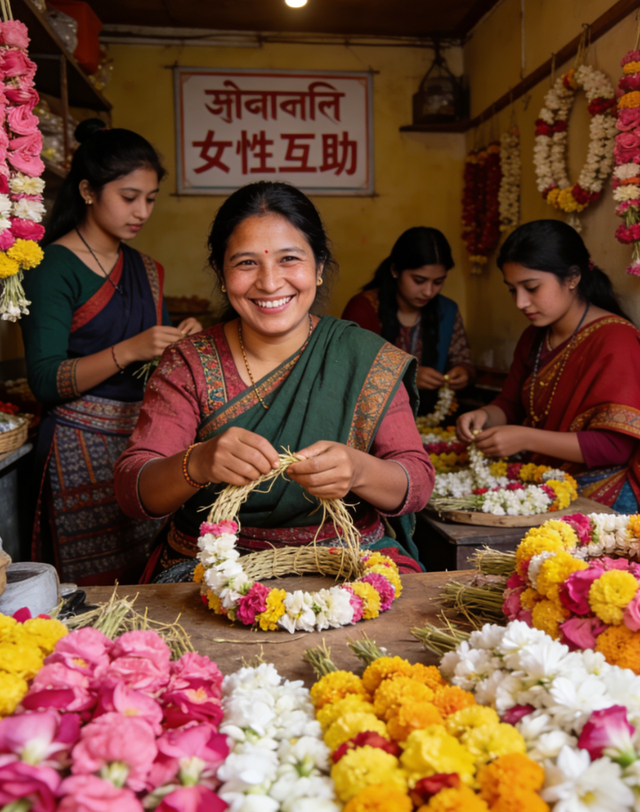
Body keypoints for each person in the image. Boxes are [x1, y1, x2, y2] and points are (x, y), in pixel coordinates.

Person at [114, 181, 435, 580]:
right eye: (246, 263)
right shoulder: (189, 362)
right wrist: (197, 462)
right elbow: (133, 489)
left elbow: (417, 483)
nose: (269, 282)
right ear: (221, 272)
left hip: (350, 560)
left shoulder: (364, 357)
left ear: (318, 268)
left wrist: (358, 470)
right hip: (214, 567)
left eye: (289, 259)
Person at [21, 118, 202, 585]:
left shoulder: (148, 269)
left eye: (151, 199)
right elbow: (44, 379)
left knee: (150, 583)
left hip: (145, 442)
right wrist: (130, 349)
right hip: (74, 449)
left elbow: (153, 370)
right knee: (88, 590)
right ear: (87, 191)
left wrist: (182, 343)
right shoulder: (51, 268)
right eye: (128, 197)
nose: (142, 211)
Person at [457, 219, 640, 512]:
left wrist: (525, 438)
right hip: (544, 483)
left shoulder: (616, 340)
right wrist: (482, 416)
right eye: (512, 290)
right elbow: (511, 404)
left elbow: (615, 447)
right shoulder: (534, 337)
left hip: (604, 494)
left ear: (572, 278)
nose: (520, 302)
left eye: (531, 287)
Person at [341, 227, 474, 416]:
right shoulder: (364, 309)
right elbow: (350, 372)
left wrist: (463, 373)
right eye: (419, 280)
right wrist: (404, 378)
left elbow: (462, 359)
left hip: (433, 420)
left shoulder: (447, 311)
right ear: (395, 270)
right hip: (372, 419)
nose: (429, 291)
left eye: (438, 282)